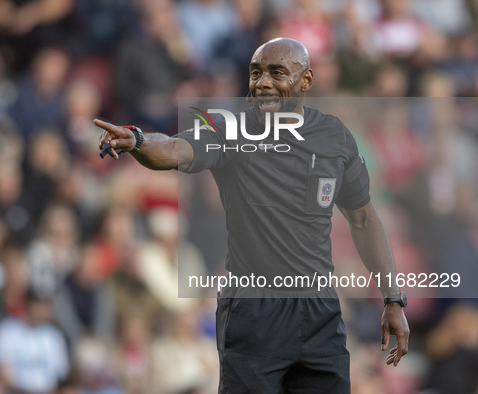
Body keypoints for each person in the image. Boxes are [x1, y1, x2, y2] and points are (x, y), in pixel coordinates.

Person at [94, 37, 409, 393]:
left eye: (277, 72)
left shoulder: (335, 137)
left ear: (306, 80)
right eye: (255, 72)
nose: (263, 82)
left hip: (319, 310)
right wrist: (137, 140)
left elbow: (363, 219)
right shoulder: (228, 129)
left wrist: (393, 298)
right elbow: (173, 149)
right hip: (254, 311)